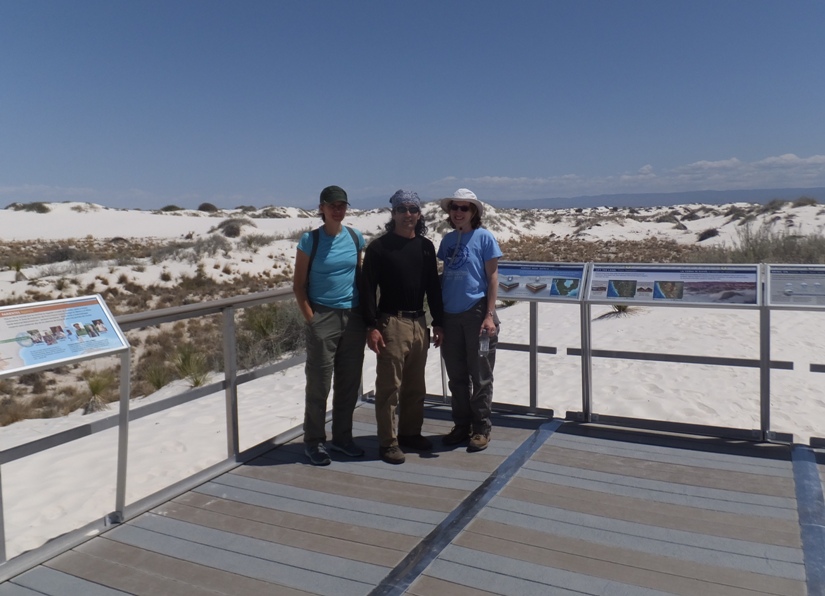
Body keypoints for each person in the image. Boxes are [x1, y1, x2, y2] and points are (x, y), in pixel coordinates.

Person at [361, 190, 444, 465]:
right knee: (389, 387)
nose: (407, 214)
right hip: (391, 323)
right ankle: (388, 442)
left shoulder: (425, 247)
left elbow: (433, 287)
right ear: (393, 213)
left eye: (412, 209)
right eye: (402, 209)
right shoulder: (379, 248)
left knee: (415, 386)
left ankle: (410, 433)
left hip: (420, 322)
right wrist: (371, 326)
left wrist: (439, 322)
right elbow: (367, 289)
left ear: (419, 214)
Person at [293, 185, 368, 466]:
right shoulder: (310, 240)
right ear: (322, 208)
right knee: (319, 384)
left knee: (348, 384)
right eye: (332, 205)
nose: (338, 209)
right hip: (323, 316)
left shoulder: (354, 236)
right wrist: (312, 320)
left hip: (353, 317)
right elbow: (298, 286)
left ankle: (342, 439)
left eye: (342, 205)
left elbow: (358, 276)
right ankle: (313, 442)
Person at [437, 188, 503, 452]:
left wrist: (489, 315)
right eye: (455, 207)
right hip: (450, 315)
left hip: (476, 313)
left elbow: (493, 277)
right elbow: (444, 276)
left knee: (481, 374)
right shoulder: (447, 240)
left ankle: (481, 428)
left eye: (465, 208)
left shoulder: (484, 237)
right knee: (457, 376)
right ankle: (461, 425)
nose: (459, 212)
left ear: (473, 212)